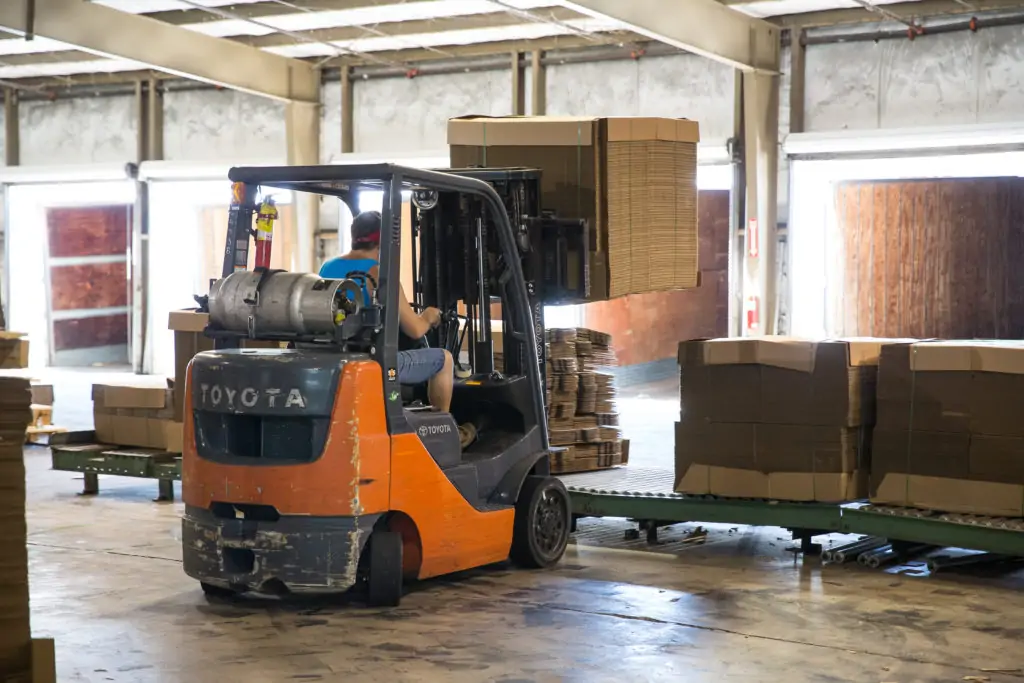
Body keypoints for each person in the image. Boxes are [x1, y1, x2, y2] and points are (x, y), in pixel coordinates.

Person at [320, 210, 476, 448]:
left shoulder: (327, 267)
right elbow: (414, 329)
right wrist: (428, 316)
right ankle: (442, 437)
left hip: (334, 357)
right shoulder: (380, 273)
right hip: (374, 362)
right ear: (382, 241)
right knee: (443, 360)